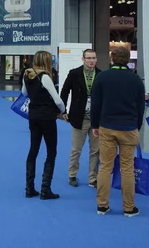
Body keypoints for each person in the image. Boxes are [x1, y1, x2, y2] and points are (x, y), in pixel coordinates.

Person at [91, 47, 145, 217]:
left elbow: (95, 104)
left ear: (111, 58)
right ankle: (129, 207)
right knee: (127, 168)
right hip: (129, 127)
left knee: (105, 167)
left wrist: (95, 125)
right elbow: (140, 107)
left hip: (107, 127)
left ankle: (102, 205)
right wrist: (136, 126)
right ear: (128, 59)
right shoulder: (136, 79)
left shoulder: (102, 77)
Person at [23, 50, 66, 200]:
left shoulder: (27, 74)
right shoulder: (45, 77)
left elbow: (24, 93)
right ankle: (45, 189)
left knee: (33, 150)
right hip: (47, 117)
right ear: (47, 61)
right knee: (51, 152)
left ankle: (29, 188)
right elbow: (58, 100)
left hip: (33, 116)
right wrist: (63, 111)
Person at [60, 49, 101, 188]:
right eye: (89, 58)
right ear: (83, 59)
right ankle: (72, 174)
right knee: (76, 149)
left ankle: (93, 178)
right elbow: (64, 91)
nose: (91, 60)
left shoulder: (101, 75)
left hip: (97, 120)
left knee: (95, 150)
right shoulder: (74, 73)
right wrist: (63, 110)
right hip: (79, 117)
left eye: (94, 58)